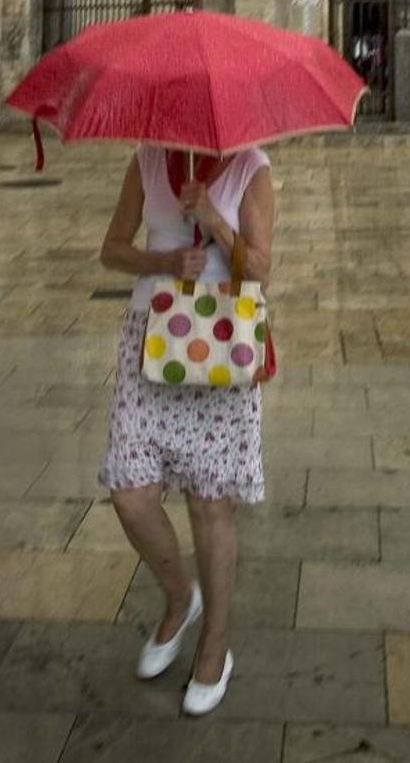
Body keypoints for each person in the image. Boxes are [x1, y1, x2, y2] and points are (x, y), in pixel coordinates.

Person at [98, 144, 275, 716]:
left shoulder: (252, 169)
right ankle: (180, 597)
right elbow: (112, 250)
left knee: (209, 504)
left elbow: (262, 270)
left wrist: (214, 222)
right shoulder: (147, 162)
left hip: (220, 345)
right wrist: (165, 264)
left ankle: (215, 646)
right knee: (129, 495)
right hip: (149, 343)